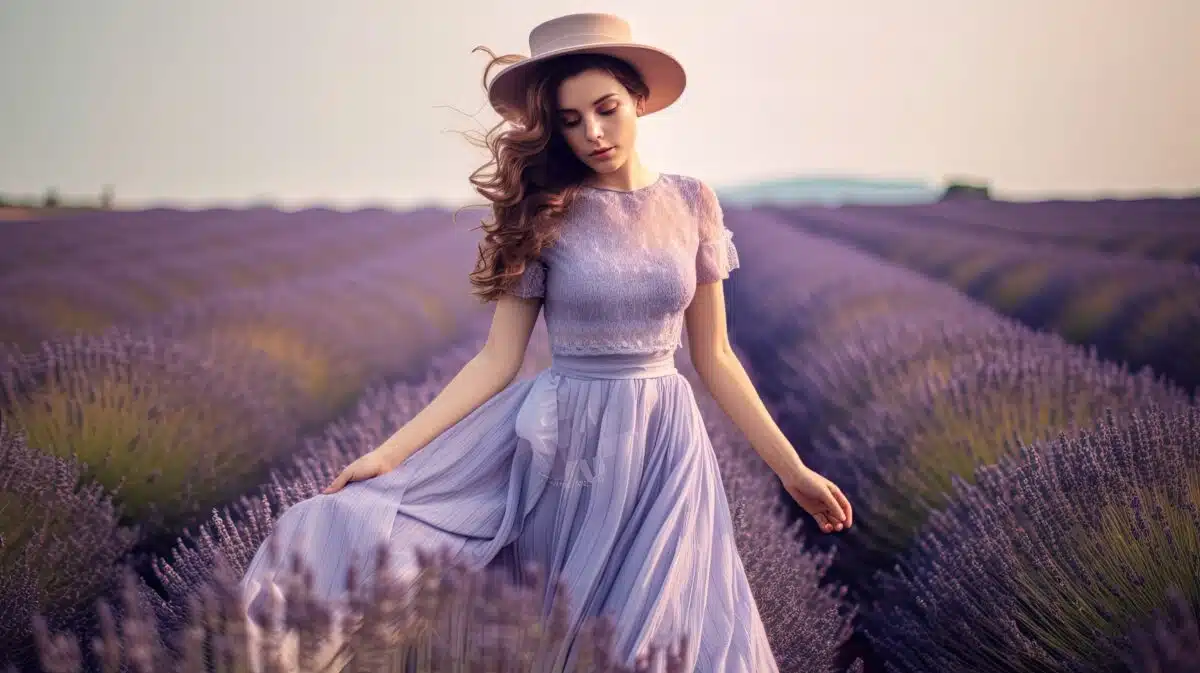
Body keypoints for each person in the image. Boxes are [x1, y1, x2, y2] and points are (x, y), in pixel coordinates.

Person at [238, 12, 852, 672]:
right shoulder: (545, 210)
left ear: (638, 100)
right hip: (570, 450)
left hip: (667, 449)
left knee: (663, 640)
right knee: (578, 637)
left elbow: (716, 357)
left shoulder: (692, 202)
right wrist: (389, 453)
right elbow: (496, 360)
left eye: (606, 108)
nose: (591, 132)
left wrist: (793, 472)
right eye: (569, 119)